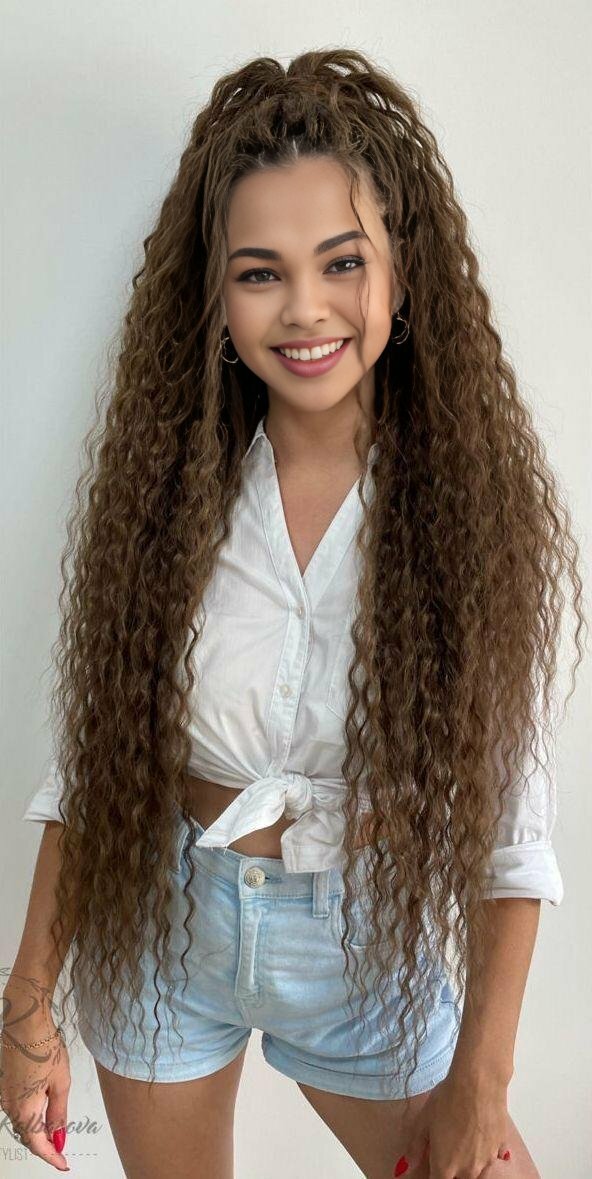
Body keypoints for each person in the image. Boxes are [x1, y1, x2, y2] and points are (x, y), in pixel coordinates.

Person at [1, 48, 585, 1179]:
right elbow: (99, 761)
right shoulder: (170, 492)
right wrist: (28, 1005)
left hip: (363, 957)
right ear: (217, 300)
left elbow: (511, 833)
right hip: (165, 935)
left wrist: (481, 1080)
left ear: (402, 275)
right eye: (261, 272)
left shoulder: (465, 512)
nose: (306, 309)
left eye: (342, 262)